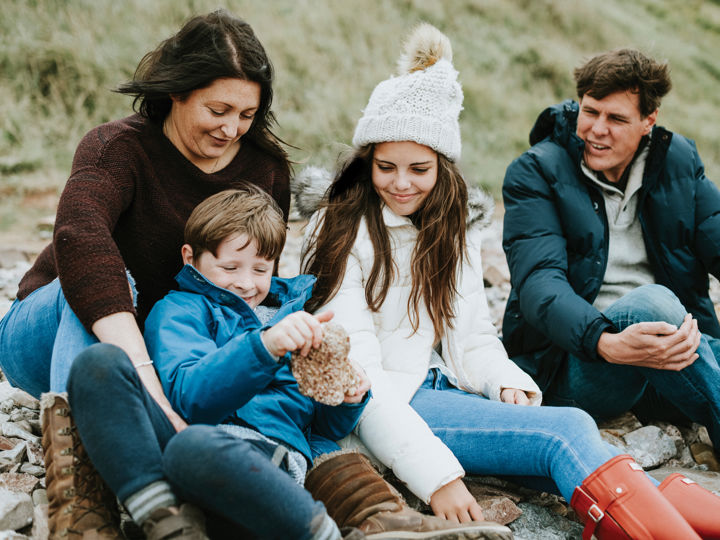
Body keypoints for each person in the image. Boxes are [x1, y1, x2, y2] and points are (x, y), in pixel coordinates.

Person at [300, 24, 720, 540]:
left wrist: (506, 382)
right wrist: (438, 479)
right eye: (385, 167)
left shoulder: (449, 226)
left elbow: (474, 338)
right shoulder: (338, 230)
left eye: (419, 168)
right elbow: (358, 380)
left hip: (445, 389)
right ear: (365, 163)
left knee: (577, 455)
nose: (401, 183)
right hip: (393, 403)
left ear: (442, 168)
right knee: (568, 430)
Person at [0, 9, 290, 538]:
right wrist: (144, 373)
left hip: (172, 347)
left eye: (246, 114)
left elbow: (254, 285)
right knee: (107, 274)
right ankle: (82, 489)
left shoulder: (264, 170)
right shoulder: (117, 147)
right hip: (45, 331)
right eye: (218, 109)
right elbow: (79, 236)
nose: (231, 129)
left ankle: (158, 491)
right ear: (177, 92)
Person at [68, 186, 372, 539]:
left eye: (261, 269)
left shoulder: (293, 318)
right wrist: (264, 346)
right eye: (230, 267)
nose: (246, 283)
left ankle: (318, 532)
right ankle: (164, 520)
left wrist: (348, 399)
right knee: (98, 363)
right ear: (190, 257)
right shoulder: (178, 311)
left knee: (195, 449)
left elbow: (319, 425)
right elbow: (188, 398)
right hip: (181, 452)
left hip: (262, 466)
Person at [501, 50, 720, 464]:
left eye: (616, 119)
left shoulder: (677, 162)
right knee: (651, 304)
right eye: (590, 112)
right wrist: (603, 341)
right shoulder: (536, 172)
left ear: (647, 122)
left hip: (674, 355)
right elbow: (538, 285)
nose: (596, 130)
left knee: (673, 321)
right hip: (580, 361)